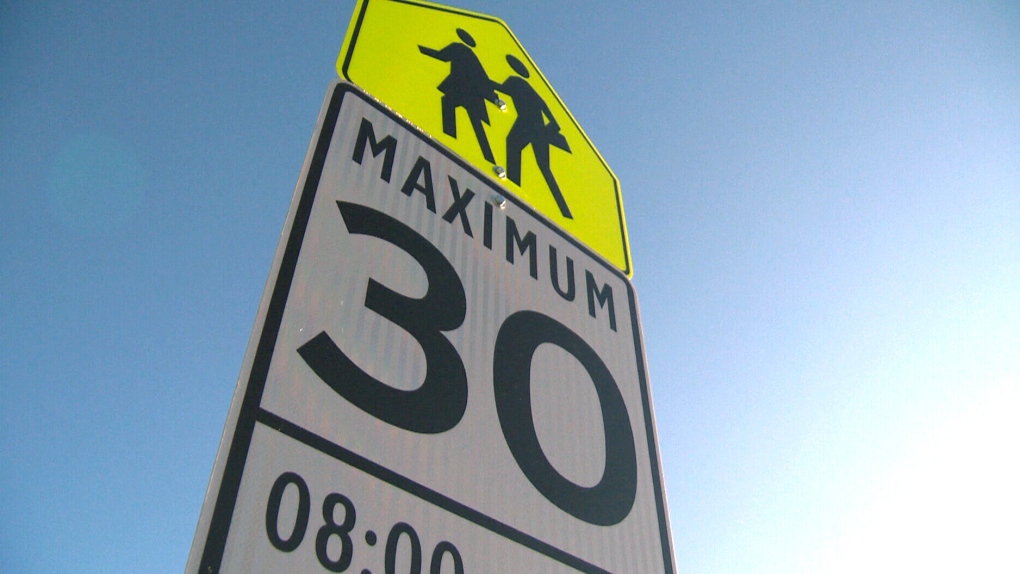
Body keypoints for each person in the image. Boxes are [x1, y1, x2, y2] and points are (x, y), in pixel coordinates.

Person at [496, 54, 573, 219]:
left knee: (521, 152)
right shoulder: (525, 85)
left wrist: (482, 83)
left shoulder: (515, 82)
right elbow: (543, 103)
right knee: (540, 164)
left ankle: (514, 190)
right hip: (536, 126)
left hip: (530, 125)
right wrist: (553, 123)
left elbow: (501, 88)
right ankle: (564, 210)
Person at [419, 29, 500, 163]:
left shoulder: (457, 47)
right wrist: (493, 96)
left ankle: (486, 157)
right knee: (472, 121)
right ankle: (449, 141)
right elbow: (484, 79)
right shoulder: (472, 55)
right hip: (464, 92)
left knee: (473, 122)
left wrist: (422, 50)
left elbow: (441, 56)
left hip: (465, 92)